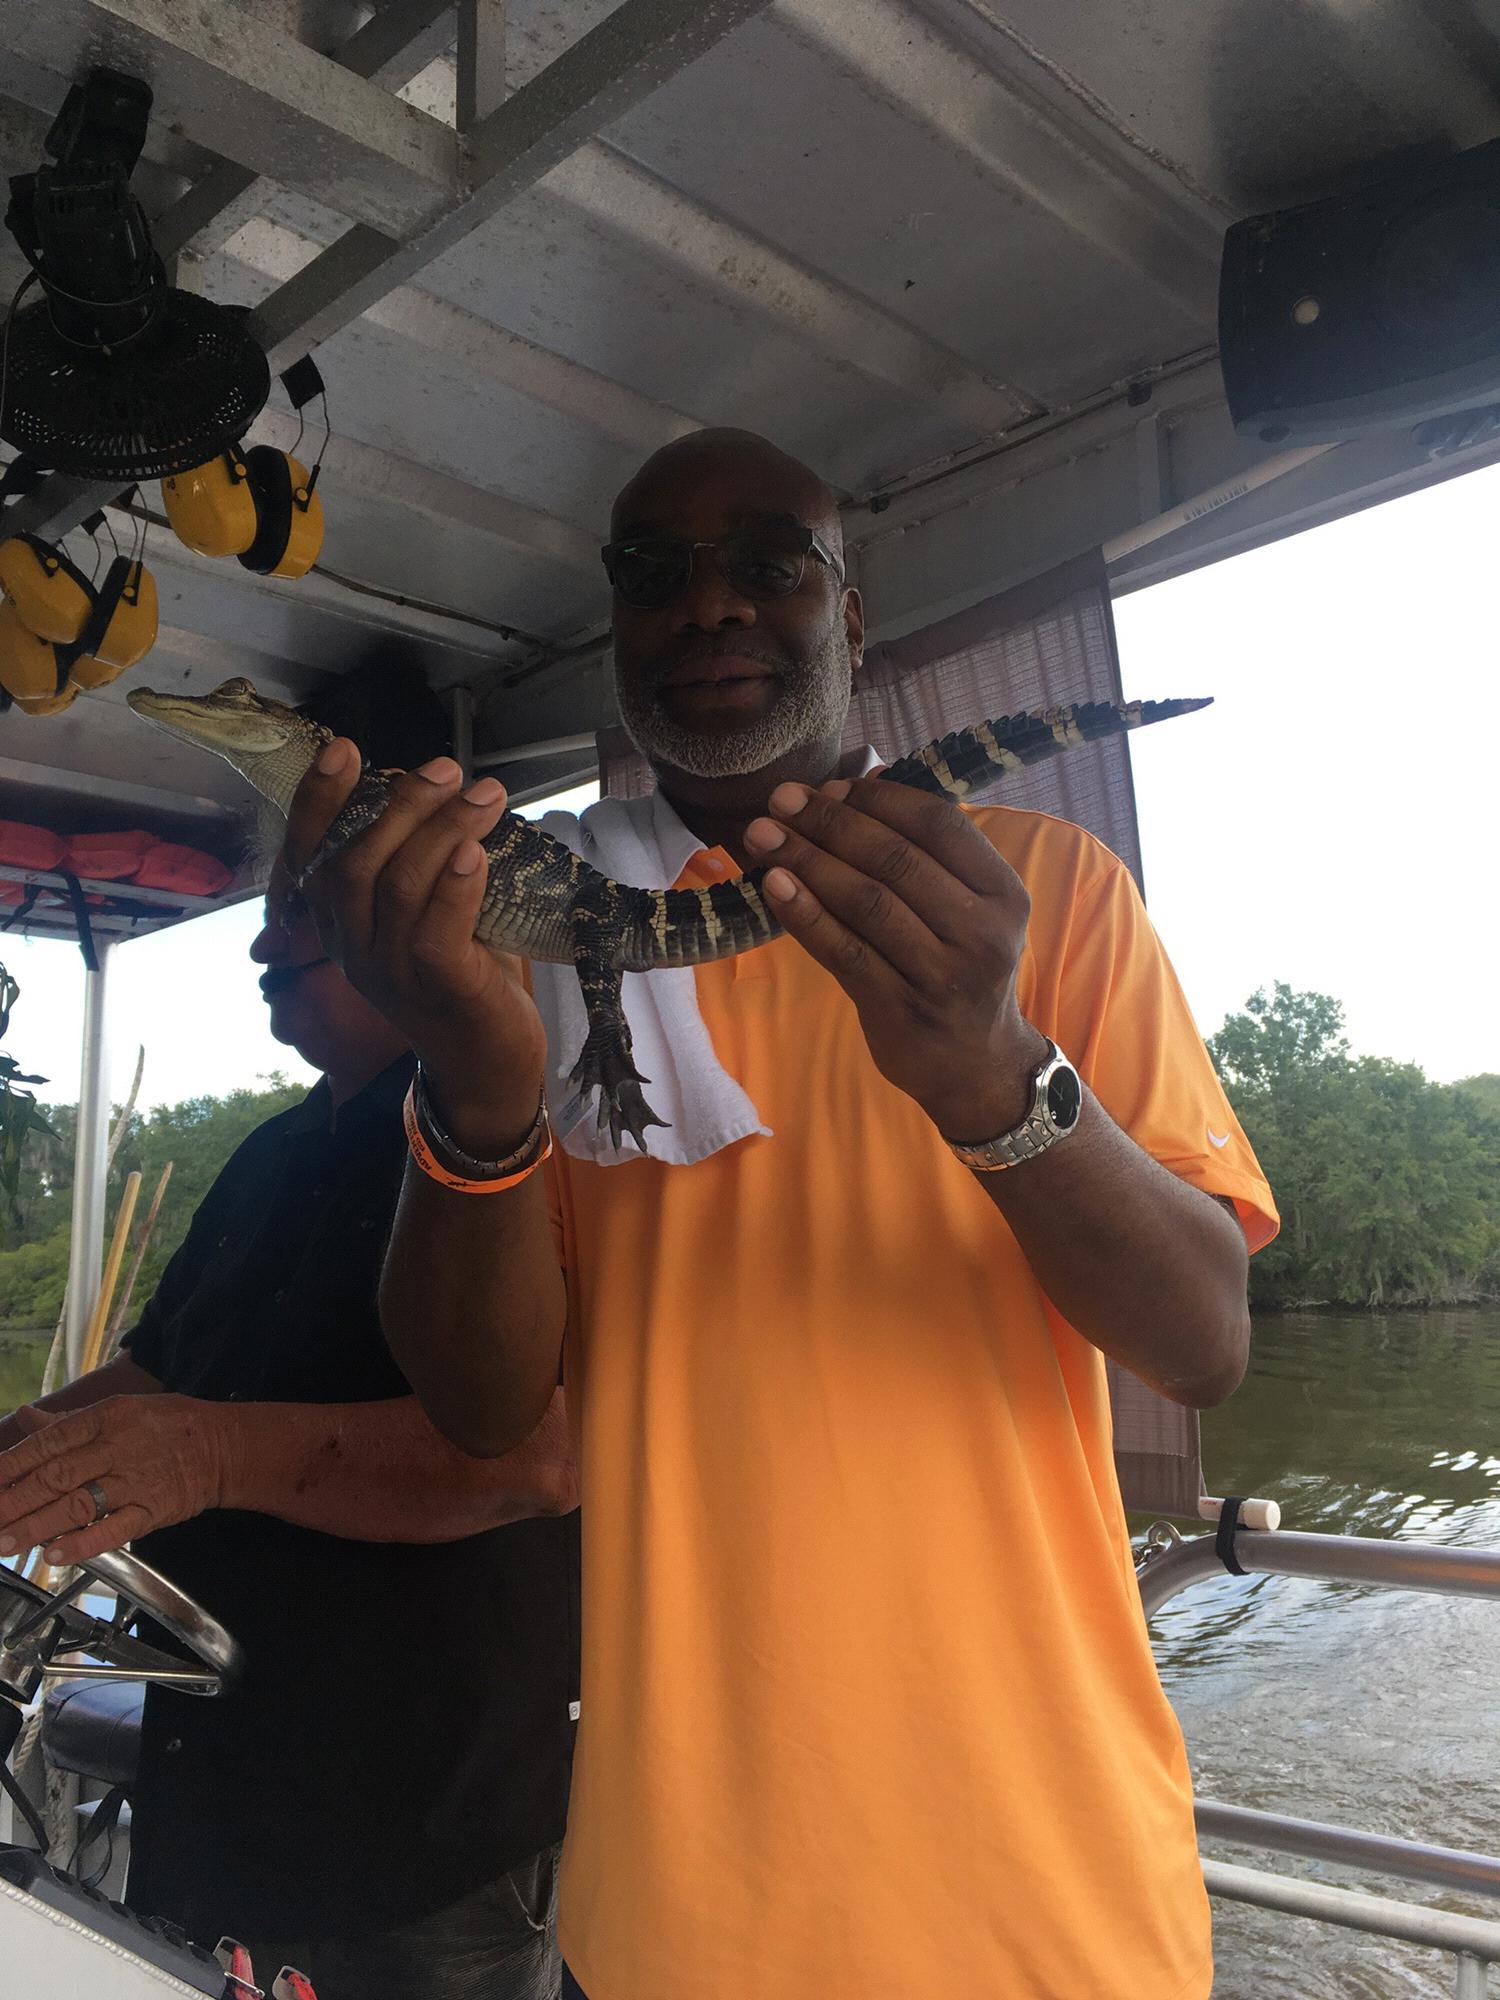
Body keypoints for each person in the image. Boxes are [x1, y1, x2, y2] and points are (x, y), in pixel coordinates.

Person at [278, 428, 1278, 2000]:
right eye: (655, 574)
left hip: (1048, 1899)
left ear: (851, 613)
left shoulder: (1042, 889)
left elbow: (1202, 1340)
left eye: (769, 560)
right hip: (674, 1920)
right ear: (619, 630)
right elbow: (486, 1413)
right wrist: (474, 1074)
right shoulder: (527, 946)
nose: (711, 606)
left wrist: (993, 1069)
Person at [0, 885, 579, 2000]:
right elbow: (162, 1373)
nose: (264, 943)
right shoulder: (273, 1150)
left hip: (413, 1821)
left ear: (437, 904)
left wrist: (208, 1456)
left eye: (308, 909)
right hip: (220, 1776)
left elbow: (539, 1456)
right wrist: (22, 1451)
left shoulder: (518, 1143)